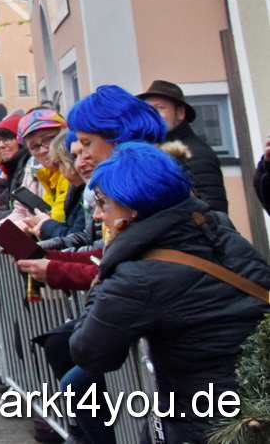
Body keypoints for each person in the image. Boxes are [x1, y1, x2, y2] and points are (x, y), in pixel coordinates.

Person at [71, 143, 270, 443]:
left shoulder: (136, 277)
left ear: (131, 209)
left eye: (103, 202)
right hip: (256, 403)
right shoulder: (216, 227)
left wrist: (108, 267)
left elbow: (90, 352)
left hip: (207, 421)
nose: (98, 215)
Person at [138, 80, 228, 214]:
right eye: (148, 109)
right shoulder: (151, 150)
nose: (152, 115)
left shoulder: (196, 154)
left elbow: (212, 212)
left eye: (159, 108)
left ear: (180, 113)